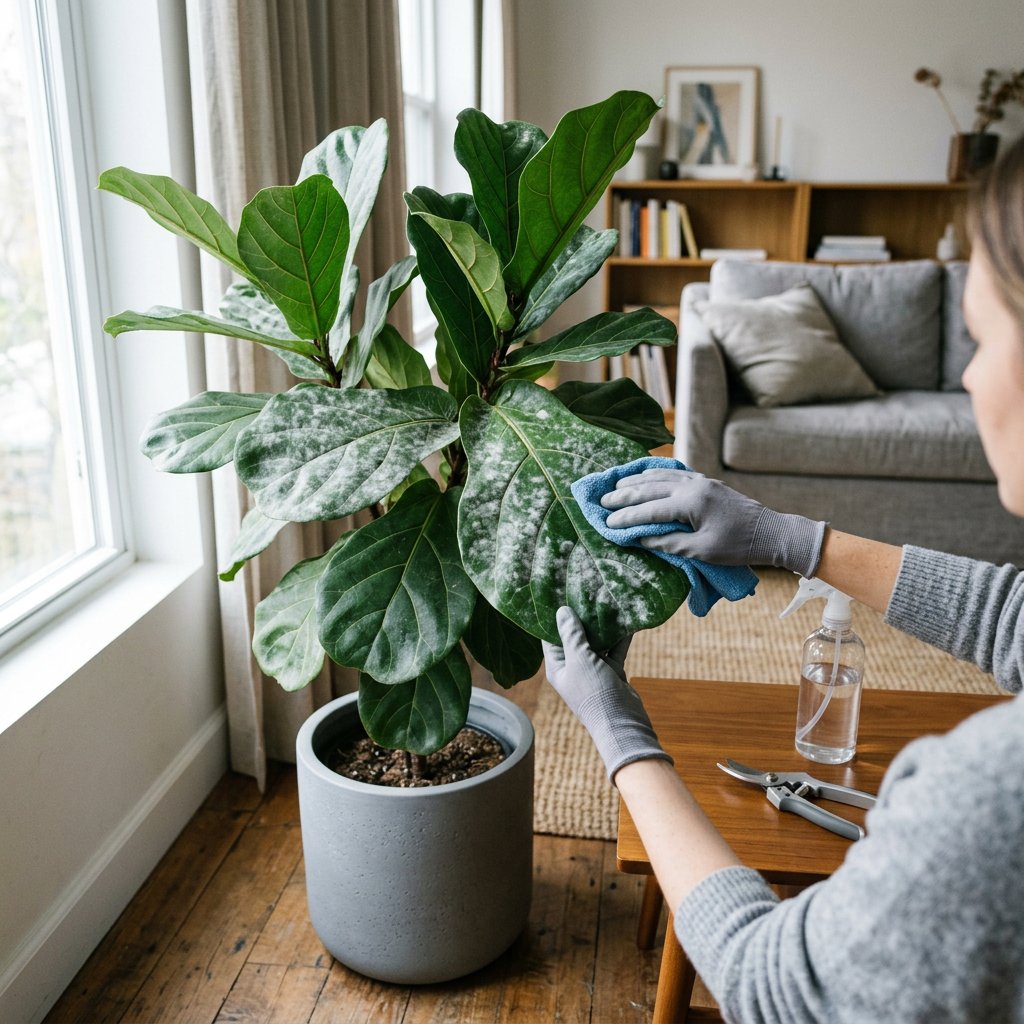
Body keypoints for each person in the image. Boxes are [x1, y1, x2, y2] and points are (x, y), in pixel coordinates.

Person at [543, 135, 1024, 1024]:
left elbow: (769, 987)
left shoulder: (991, 799)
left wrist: (622, 738)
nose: (964, 374)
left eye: (986, 337)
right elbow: (1014, 618)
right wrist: (787, 536)